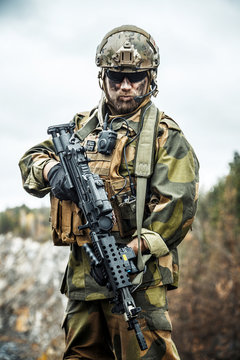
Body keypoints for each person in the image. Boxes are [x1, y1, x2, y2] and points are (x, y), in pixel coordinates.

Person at [19, 25, 199, 360]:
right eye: (116, 77)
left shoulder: (164, 136)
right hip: (84, 282)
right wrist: (53, 171)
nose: (126, 87)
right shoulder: (80, 128)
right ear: (102, 78)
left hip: (136, 279)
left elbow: (178, 207)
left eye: (136, 78)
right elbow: (31, 160)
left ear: (151, 79)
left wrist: (133, 250)